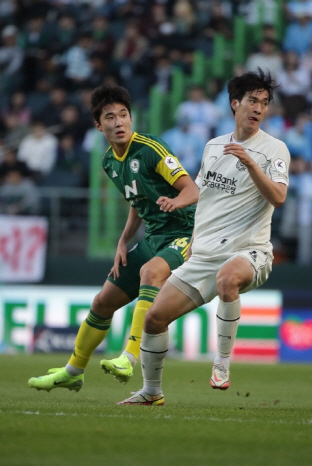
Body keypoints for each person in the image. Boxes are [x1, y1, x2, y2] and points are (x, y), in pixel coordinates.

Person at [118, 69, 289, 405]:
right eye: (253, 100)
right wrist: (193, 236)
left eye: (265, 102)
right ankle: (151, 392)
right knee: (154, 319)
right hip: (204, 253)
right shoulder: (213, 146)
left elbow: (279, 198)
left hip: (249, 250)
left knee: (228, 279)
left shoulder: (274, 150)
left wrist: (251, 164)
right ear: (234, 103)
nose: (259, 108)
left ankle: (222, 363)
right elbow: (204, 194)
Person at [28, 85, 198, 392]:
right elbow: (138, 203)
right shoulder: (109, 161)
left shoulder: (151, 149)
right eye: (110, 117)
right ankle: (73, 370)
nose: (118, 122)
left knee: (150, 272)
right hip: (153, 238)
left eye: (123, 115)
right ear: (99, 125)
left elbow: (192, 190)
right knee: (102, 301)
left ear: (131, 119)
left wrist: (176, 202)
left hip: (186, 234)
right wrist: (122, 242)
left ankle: (129, 357)